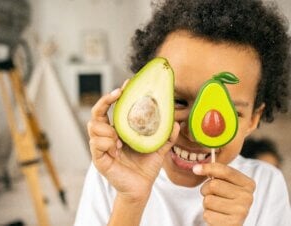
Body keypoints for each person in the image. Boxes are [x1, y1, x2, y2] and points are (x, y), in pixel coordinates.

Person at [75, 0, 291, 225]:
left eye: (226, 111)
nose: (194, 133)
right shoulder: (111, 174)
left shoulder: (266, 186)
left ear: (254, 119)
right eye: (177, 101)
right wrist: (130, 201)